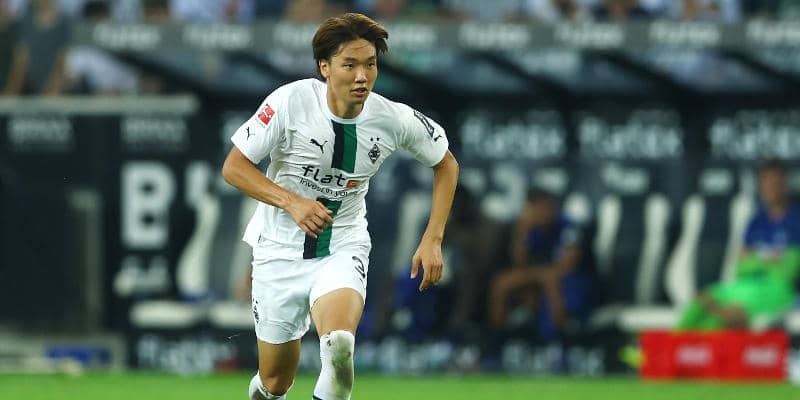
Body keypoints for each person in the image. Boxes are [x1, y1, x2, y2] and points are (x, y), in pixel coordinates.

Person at [221, 12, 459, 400]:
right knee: (276, 381)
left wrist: (433, 238)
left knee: (340, 347)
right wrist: (292, 202)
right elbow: (234, 167)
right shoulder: (291, 101)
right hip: (278, 252)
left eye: (370, 64)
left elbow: (446, 163)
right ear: (325, 67)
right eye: (350, 65)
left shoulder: (391, 118)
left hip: (342, 246)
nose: (362, 76)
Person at [676, 159, 800, 330]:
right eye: (765, 183)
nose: (770, 188)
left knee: (728, 315)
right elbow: (741, 265)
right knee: (701, 301)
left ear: (784, 184)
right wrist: (770, 259)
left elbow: (789, 270)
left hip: (778, 291)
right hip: (745, 285)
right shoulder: (756, 222)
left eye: (775, 183)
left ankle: (696, 343)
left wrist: (756, 259)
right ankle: (670, 344)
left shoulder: (796, 220)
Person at [487, 189, 589, 342]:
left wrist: (541, 274)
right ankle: (498, 338)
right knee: (501, 283)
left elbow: (568, 265)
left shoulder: (568, 226)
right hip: (540, 275)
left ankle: (556, 339)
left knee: (551, 283)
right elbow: (519, 263)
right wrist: (522, 232)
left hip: (569, 279)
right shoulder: (530, 227)